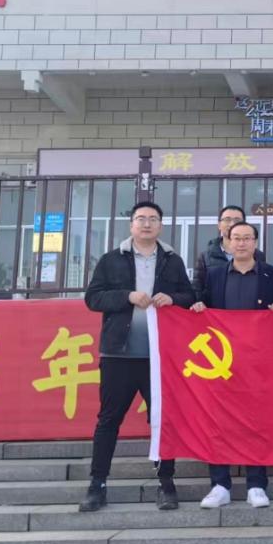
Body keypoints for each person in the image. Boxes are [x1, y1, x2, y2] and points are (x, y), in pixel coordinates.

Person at [80, 201, 194, 512]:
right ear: (131, 224)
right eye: (141, 218)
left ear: (160, 225)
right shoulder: (111, 259)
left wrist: (173, 298)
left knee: (162, 420)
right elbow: (93, 298)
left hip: (159, 357)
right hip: (118, 354)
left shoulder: (172, 261)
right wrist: (126, 296)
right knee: (109, 419)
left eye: (152, 219)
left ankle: (166, 483)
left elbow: (189, 296)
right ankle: (97, 484)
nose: (146, 224)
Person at [190, 221, 273, 510]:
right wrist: (198, 307)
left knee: (256, 422)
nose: (242, 243)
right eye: (236, 238)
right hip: (222, 363)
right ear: (227, 241)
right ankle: (220, 485)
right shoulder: (215, 275)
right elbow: (201, 306)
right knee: (217, 422)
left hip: (258, 363)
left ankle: (256, 484)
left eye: (247, 238)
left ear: (256, 242)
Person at [192, 205, 266, 301]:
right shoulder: (205, 257)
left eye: (237, 220)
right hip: (216, 308)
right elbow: (197, 289)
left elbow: (263, 286)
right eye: (227, 220)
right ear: (219, 225)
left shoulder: (257, 255)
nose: (232, 224)